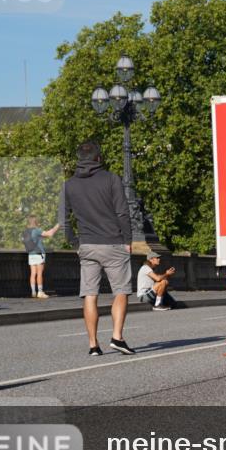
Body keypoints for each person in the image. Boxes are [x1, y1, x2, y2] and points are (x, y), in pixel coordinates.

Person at [58, 141, 135, 357]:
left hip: (87, 245)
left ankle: (93, 345)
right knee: (120, 291)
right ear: (98, 158)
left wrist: (74, 243)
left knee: (90, 295)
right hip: (113, 243)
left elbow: (63, 220)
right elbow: (122, 212)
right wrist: (127, 239)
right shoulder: (111, 179)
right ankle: (117, 337)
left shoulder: (69, 185)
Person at [24, 215, 59, 299]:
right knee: (39, 274)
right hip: (39, 253)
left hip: (31, 254)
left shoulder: (26, 231)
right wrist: (58, 225)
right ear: (36, 222)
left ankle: (33, 292)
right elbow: (50, 234)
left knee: (33, 273)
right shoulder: (37, 230)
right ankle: (40, 292)